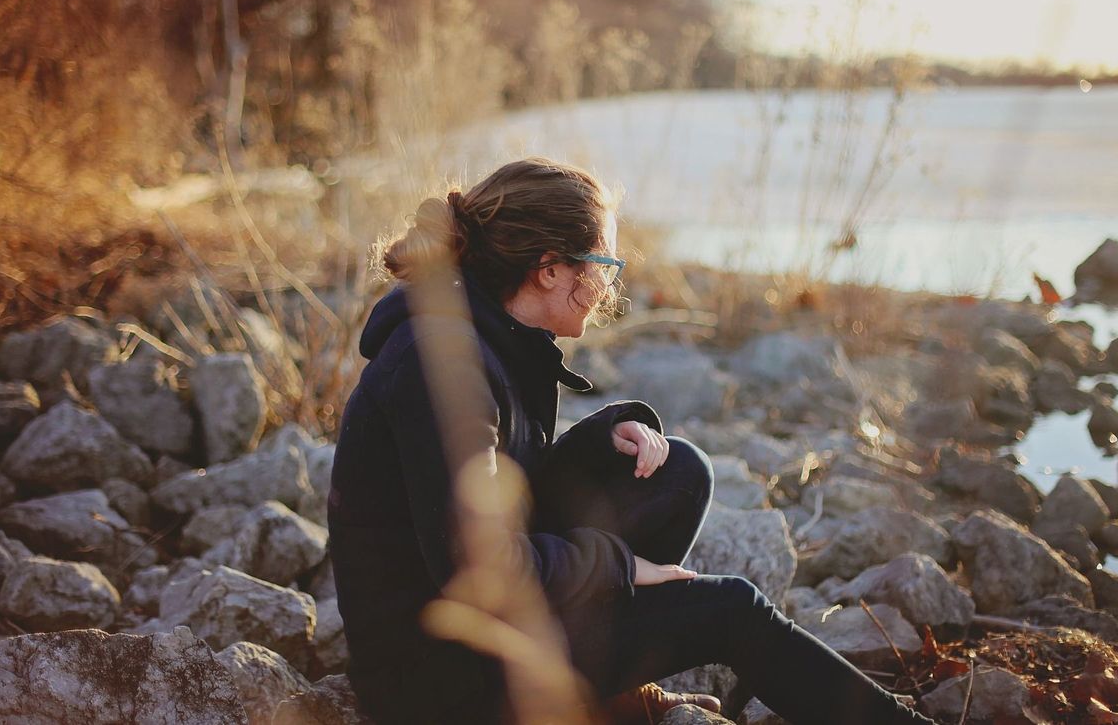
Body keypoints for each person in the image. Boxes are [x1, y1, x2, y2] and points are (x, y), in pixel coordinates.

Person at [328, 157, 935, 724]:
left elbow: (503, 485)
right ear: (550, 269)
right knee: (732, 609)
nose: (610, 290)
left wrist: (599, 439)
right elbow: (478, 567)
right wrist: (621, 567)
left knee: (678, 474)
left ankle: (605, 690)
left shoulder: (495, 334)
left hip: (485, 629)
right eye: (605, 268)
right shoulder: (440, 367)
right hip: (435, 680)